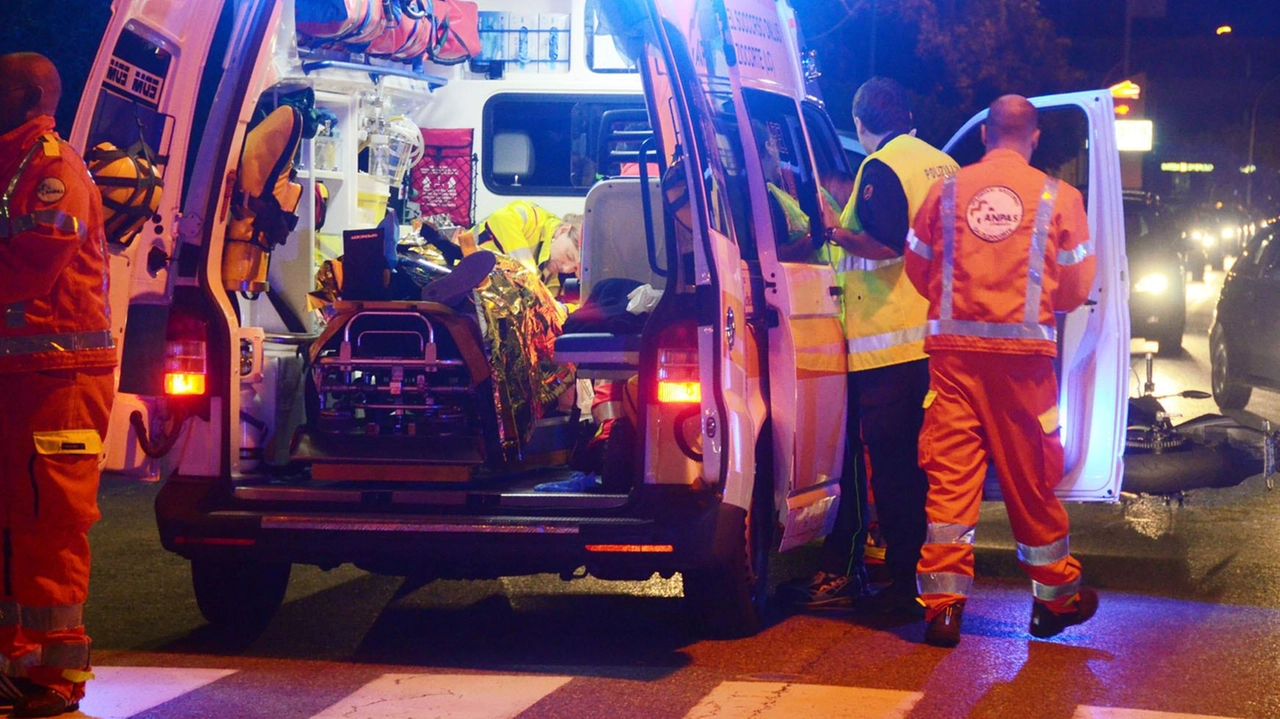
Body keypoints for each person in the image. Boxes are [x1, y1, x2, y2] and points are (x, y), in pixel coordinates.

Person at [905, 95, 1098, 647]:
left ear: (986, 134)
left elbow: (919, 267)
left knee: (951, 478)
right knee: (1031, 480)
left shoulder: (944, 191)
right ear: (1033, 138)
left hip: (953, 359)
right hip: (1025, 367)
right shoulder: (1060, 197)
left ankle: (942, 607)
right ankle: (1054, 599)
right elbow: (1077, 288)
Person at [783, 77, 957, 613]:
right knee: (924, 469)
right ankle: (924, 575)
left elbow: (884, 244)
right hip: (931, 338)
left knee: (894, 470)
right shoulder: (942, 164)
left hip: (887, 346)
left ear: (860, 123)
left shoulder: (881, 165)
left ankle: (904, 586)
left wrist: (835, 230)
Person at [0, 53, 116, 717]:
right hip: (21, 374)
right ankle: (16, 666)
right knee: (13, 526)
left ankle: (55, 675)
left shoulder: (52, 166)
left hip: (59, 377)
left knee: (50, 525)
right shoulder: (11, 161)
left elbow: (32, 260)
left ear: (25, 94)